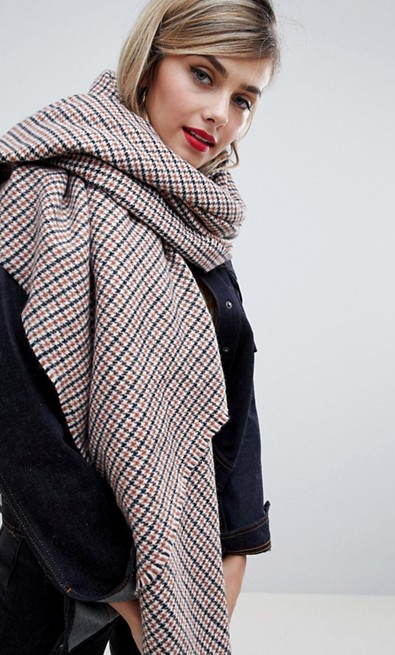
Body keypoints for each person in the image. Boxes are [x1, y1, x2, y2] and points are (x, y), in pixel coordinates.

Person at [0, 0, 279, 652]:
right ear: (149, 64)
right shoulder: (38, 193)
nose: (220, 113)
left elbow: (235, 396)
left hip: (183, 559)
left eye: (243, 99)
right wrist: (125, 587)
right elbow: (16, 416)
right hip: (56, 564)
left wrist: (234, 548)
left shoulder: (199, 221)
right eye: (203, 75)